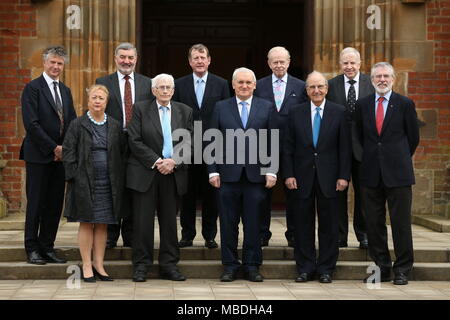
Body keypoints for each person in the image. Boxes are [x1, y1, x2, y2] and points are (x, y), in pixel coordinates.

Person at [208, 67, 277, 282]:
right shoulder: (221, 107)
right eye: (240, 82)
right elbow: (211, 140)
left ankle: (252, 266)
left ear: (255, 85)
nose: (244, 86)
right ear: (233, 85)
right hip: (227, 176)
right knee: (228, 223)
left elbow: (272, 140)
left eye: (248, 82)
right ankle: (229, 265)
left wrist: (271, 170)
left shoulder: (266, 107)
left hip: (256, 177)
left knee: (253, 224)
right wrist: (212, 170)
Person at [283, 71, 351, 283]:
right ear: (306, 90)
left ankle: (326, 269)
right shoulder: (295, 112)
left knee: (330, 225)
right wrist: (289, 174)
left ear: (327, 89)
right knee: (302, 224)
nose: (316, 91)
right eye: (312, 87)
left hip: (330, 178)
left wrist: (343, 176)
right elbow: (287, 148)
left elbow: (345, 148)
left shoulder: (339, 112)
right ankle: (305, 267)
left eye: (320, 86)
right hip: (301, 176)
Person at [355, 62, 419, 285]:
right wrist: (370, 158)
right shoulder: (362, 105)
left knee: (400, 222)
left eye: (386, 76)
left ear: (393, 79)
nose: (382, 80)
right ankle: (381, 268)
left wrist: (396, 157)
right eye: (377, 76)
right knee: (373, 223)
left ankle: (402, 269)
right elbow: (358, 136)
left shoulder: (405, 104)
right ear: (371, 80)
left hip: (398, 173)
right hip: (371, 172)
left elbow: (413, 138)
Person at [127, 74, 193, 282]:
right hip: (146, 172)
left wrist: (173, 161)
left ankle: (169, 265)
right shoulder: (140, 109)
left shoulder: (185, 111)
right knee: (142, 222)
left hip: (173, 173)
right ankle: (141, 265)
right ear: (153, 90)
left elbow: (189, 142)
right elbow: (134, 140)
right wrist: (157, 161)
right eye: (161, 87)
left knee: (169, 223)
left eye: (168, 87)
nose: (165, 91)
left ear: (173, 90)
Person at [63, 84, 126, 282]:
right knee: (86, 222)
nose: (97, 101)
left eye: (101, 98)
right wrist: (75, 177)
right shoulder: (77, 124)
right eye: (94, 98)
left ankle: (99, 264)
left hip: (108, 182)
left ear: (106, 103)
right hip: (84, 181)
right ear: (88, 101)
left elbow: (122, 152)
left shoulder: (115, 125)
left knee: (102, 224)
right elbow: (68, 151)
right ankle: (87, 265)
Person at [20, 46, 77, 265]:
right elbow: (31, 124)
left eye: (60, 63)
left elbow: (71, 121)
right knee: (36, 203)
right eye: (52, 62)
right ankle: (32, 248)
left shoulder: (65, 90)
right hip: (39, 155)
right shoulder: (32, 88)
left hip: (61, 157)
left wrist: (66, 148)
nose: (55, 66)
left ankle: (47, 247)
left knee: (54, 205)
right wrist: (53, 147)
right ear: (44, 63)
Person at [95, 42, 153, 249]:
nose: (126, 61)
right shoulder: (103, 82)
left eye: (130, 57)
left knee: (134, 189)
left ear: (136, 59)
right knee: (112, 189)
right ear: (115, 58)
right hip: (112, 145)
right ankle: (111, 235)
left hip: (139, 145)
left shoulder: (148, 84)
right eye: (122, 57)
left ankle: (130, 235)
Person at [173, 44, 230, 249]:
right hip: (186, 147)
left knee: (211, 195)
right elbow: (175, 116)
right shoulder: (179, 85)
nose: (199, 61)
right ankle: (187, 235)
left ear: (209, 60)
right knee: (186, 194)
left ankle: (209, 235)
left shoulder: (221, 84)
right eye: (195, 58)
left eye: (202, 57)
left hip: (212, 148)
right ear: (190, 61)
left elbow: (226, 114)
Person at [254, 46, 307, 247]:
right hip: (265, 147)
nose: (278, 65)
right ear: (268, 63)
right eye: (274, 61)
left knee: (293, 192)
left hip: (292, 149)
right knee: (262, 193)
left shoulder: (301, 87)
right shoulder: (258, 86)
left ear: (289, 62)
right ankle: (262, 233)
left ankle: (293, 233)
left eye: (282, 61)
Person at [327, 47, 374, 249]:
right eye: (345, 63)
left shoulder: (371, 84)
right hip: (337, 150)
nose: (349, 67)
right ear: (340, 64)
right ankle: (339, 236)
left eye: (352, 63)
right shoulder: (331, 85)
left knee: (364, 194)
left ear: (360, 63)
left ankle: (363, 235)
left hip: (364, 150)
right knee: (337, 194)